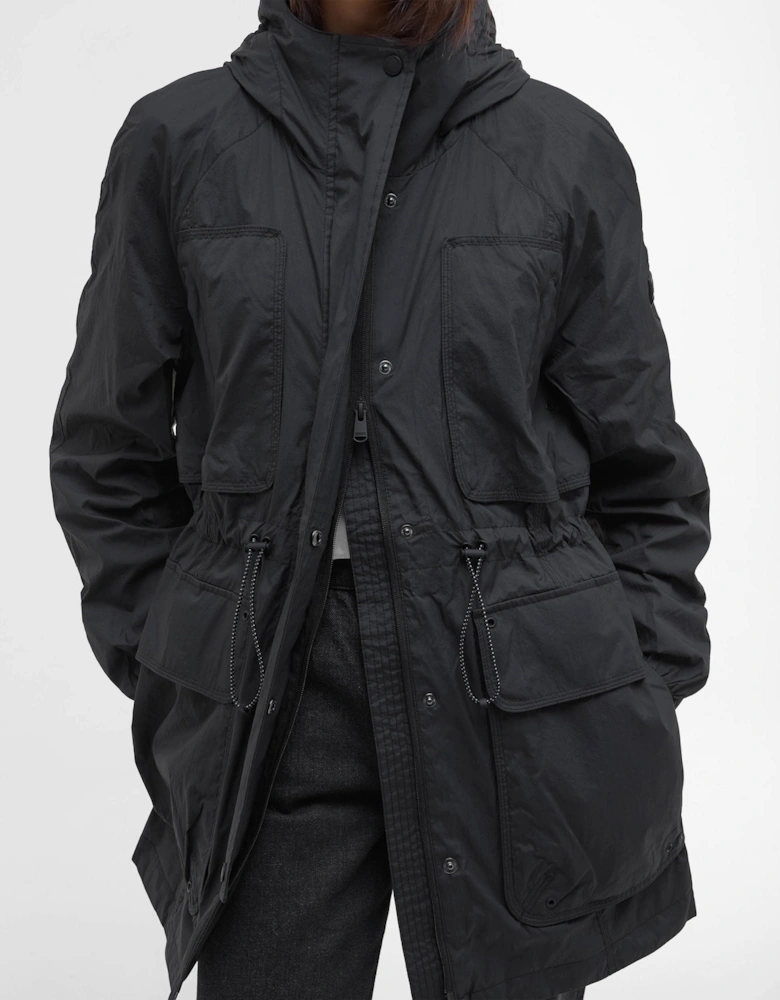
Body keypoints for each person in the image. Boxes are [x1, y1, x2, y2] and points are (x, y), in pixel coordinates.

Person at [49, 1, 711, 998]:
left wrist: (633, 679)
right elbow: (107, 449)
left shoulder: (565, 148)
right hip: (275, 685)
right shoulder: (178, 141)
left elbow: (644, 465)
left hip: (522, 689)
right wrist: (180, 653)